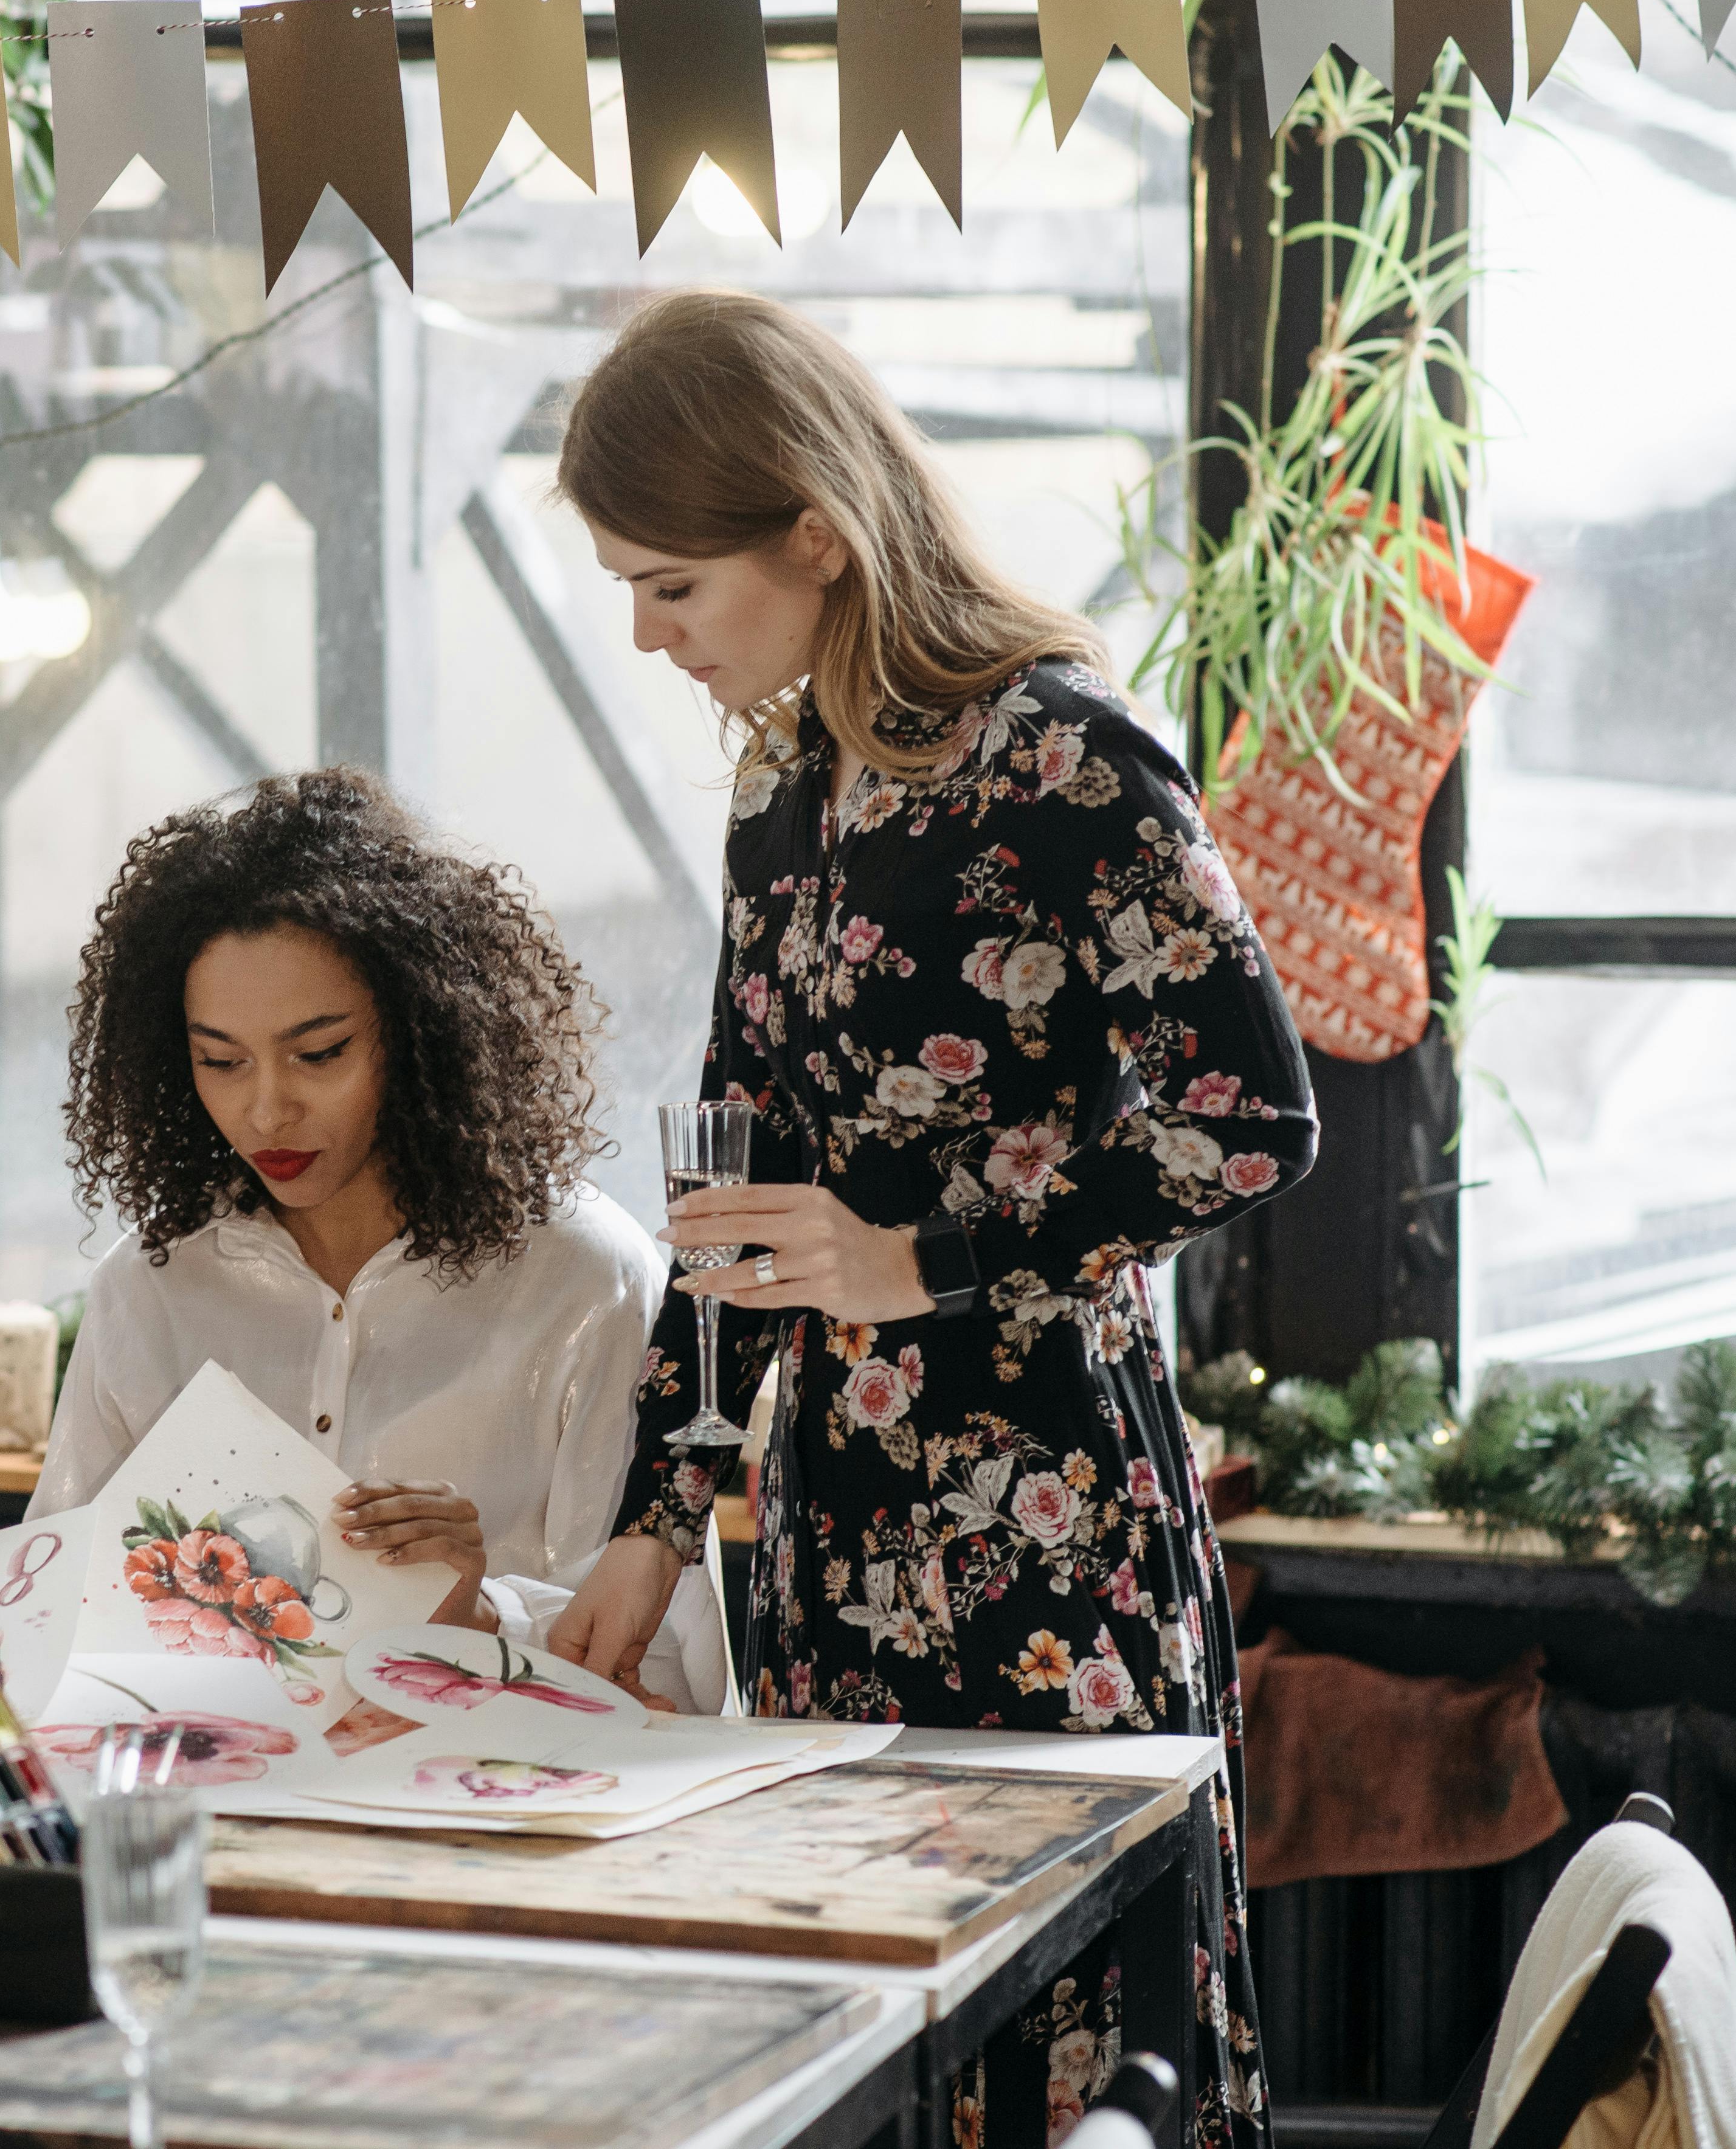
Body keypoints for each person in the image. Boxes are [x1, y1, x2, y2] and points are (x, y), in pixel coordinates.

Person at [542, 291, 1316, 2144]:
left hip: (1044, 1526)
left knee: (1071, 2058)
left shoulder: (1067, 761)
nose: (644, 635)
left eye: (672, 586)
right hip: (823, 1532)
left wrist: (924, 1257)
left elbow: (1252, 1121)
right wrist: (656, 1526)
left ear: (812, 532)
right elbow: (731, 1187)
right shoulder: (780, 790)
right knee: (871, 2048)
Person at [31, 769, 728, 1711]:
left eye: (319, 1053)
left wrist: (476, 1614)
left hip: (504, 1812)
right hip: (228, 1797)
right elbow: (49, 1622)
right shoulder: (149, 1285)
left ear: (421, 1029)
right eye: (219, 1060)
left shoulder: (583, 1277)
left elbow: (676, 1688)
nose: (266, 1106)